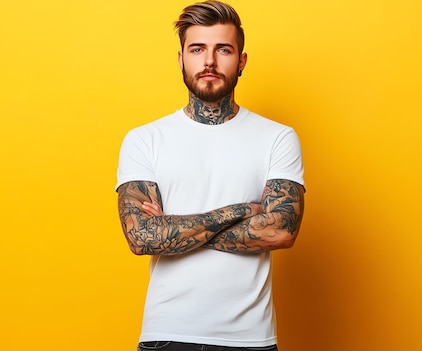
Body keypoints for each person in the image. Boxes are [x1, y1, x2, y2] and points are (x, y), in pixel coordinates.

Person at [115, 1, 305, 350]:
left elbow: (280, 230)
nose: (209, 62)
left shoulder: (277, 138)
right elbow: (141, 238)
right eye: (197, 49)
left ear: (241, 61)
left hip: (251, 339)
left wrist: (171, 230)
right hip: (168, 335)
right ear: (181, 59)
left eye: (224, 49)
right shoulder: (145, 140)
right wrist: (243, 211)